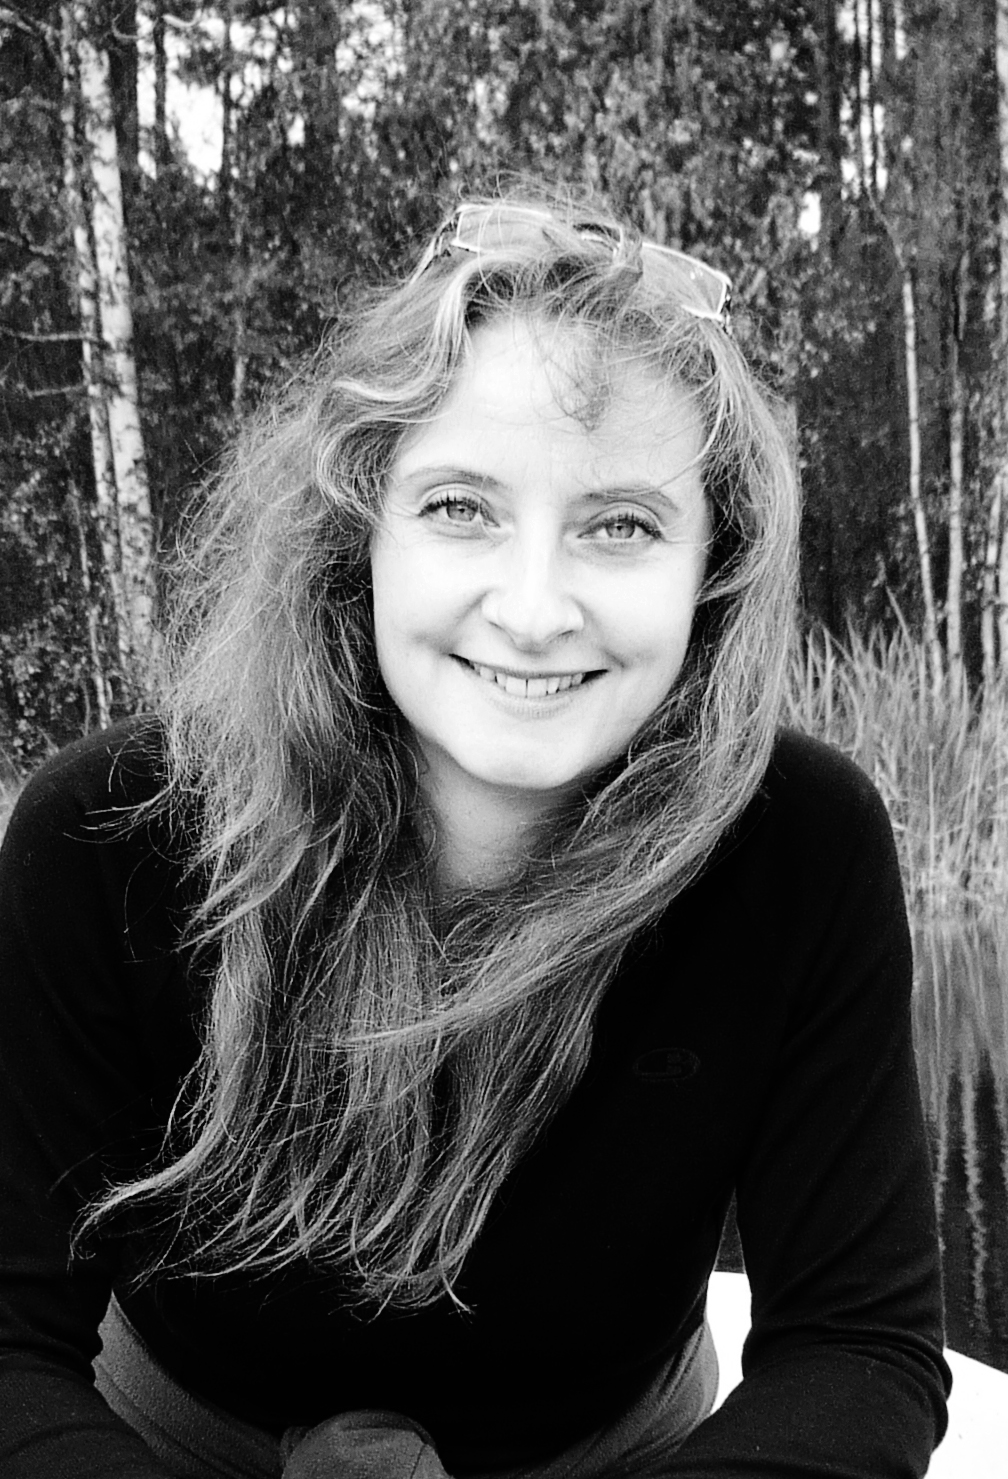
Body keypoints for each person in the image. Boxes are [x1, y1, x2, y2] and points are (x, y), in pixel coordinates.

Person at [0, 193, 950, 1479]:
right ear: (360, 532)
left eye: (622, 525)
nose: (536, 608)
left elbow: (857, 1350)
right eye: (461, 507)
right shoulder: (105, 835)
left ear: (711, 571)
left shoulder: (804, 847)